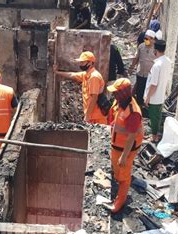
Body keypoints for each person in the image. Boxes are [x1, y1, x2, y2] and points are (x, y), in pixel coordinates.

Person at [105, 78, 143, 213]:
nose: (113, 95)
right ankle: (119, 186)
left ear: (122, 93)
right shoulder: (121, 102)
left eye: (116, 92)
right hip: (117, 145)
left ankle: (119, 203)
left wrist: (124, 156)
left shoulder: (133, 112)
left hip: (125, 149)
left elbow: (131, 136)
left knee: (124, 177)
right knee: (118, 171)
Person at [54, 51, 107, 124]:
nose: (80, 64)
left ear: (90, 63)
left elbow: (94, 98)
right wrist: (57, 72)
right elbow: (72, 75)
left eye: (82, 62)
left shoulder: (94, 77)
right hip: (93, 115)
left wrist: (88, 115)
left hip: (96, 116)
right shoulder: (86, 75)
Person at [144, 40, 171, 143]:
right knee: (157, 116)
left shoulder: (157, 65)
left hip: (154, 96)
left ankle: (154, 137)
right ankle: (155, 135)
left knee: (153, 118)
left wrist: (148, 97)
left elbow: (153, 84)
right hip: (161, 94)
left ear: (155, 50)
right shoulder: (167, 61)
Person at [128, 30, 156, 107]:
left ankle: (147, 106)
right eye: (145, 39)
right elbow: (136, 58)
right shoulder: (141, 46)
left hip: (150, 75)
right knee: (139, 91)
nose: (146, 40)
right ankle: (139, 107)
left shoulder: (156, 49)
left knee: (147, 91)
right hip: (140, 73)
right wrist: (131, 67)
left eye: (148, 39)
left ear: (153, 39)